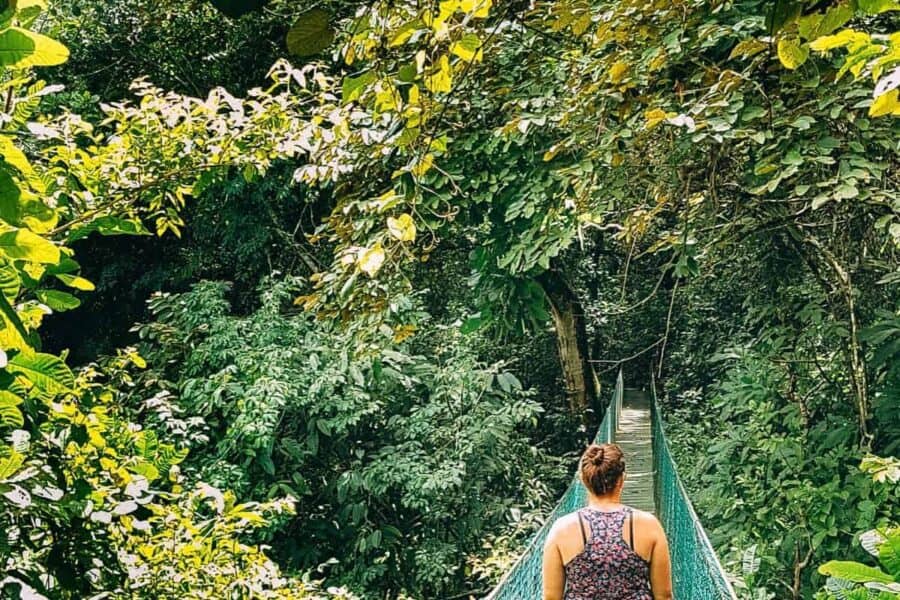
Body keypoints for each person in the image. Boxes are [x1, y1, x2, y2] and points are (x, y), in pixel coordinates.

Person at [541, 443, 673, 600]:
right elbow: (664, 595)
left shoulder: (561, 529)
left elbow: (551, 597)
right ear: (621, 479)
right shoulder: (649, 525)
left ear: (584, 480)